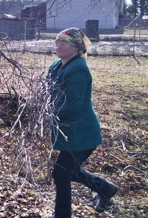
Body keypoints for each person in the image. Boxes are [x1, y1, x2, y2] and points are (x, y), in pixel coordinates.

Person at [47, 27, 117, 217]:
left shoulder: (79, 69)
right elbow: (48, 93)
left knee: (61, 174)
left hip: (82, 133)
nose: (58, 45)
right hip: (70, 133)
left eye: (64, 42)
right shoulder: (56, 65)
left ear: (77, 47)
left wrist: (47, 111)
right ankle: (106, 189)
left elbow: (72, 107)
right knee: (71, 171)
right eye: (57, 41)